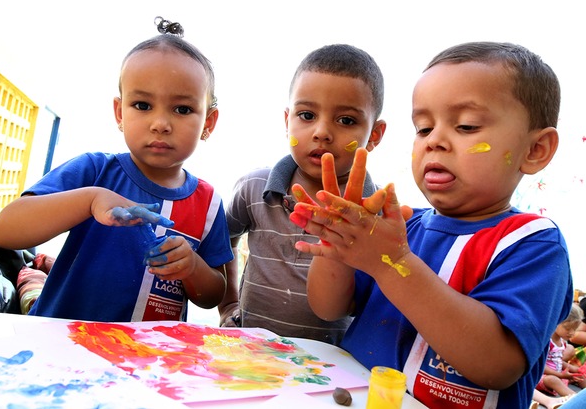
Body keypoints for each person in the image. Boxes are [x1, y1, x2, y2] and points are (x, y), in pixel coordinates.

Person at [289, 41, 573, 408]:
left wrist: (393, 264)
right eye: (423, 128)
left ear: (535, 150)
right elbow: (329, 308)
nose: (435, 141)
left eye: (466, 126)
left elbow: (496, 364)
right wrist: (337, 244)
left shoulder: (533, 244)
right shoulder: (402, 227)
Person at [0, 17, 233, 323]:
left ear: (208, 123)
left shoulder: (208, 203)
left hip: (148, 359)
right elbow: (4, 232)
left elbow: (213, 296)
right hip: (61, 343)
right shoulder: (94, 171)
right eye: (143, 106)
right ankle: (33, 279)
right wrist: (90, 201)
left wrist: (193, 268)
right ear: (120, 112)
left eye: (182, 109)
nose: (160, 123)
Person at [217, 44, 386, 344]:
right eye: (307, 115)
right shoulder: (254, 188)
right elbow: (222, 239)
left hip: (327, 369)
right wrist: (228, 302)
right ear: (287, 121)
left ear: (374, 135)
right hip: (247, 352)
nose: (321, 132)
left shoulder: (374, 216)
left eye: (346, 120)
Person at [537, 304, 586, 397]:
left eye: (574, 329)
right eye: (568, 328)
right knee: (553, 380)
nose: (571, 333)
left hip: (559, 376)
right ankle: (574, 399)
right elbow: (540, 365)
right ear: (555, 321)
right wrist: (560, 375)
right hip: (543, 377)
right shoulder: (547, 342)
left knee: (580, 376)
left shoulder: (561, 342)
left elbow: (558, 361)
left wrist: (574, 369)